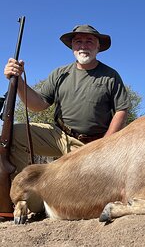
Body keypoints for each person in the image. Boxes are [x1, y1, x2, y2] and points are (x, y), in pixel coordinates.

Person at [0, 24, 130, 220]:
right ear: (72, 46)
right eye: (78, 41)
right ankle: (19, 198)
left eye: (89, 41)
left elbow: (121, 109)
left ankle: (43, 202)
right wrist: (18, 82)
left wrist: (105, 145)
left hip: (90, 145)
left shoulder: (111, 76)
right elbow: (39, 104)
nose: (83, 46)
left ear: (98, 47)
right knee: (14, 133)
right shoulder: (60, 73)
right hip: (58, 135)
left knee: (84, 193)